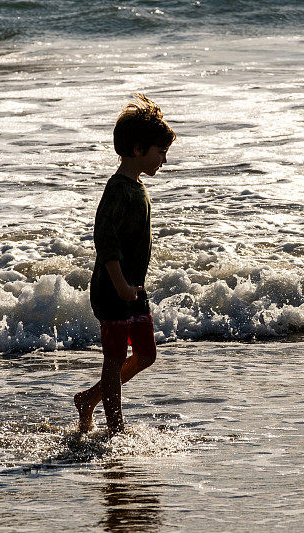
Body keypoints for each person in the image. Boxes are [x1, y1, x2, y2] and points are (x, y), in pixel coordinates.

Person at [75, 94, 175, 434]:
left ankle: (89, 398)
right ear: (137, 149)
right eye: (160, 152)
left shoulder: (138, 187)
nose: (164, 159)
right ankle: (115, 428)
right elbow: (105, 240)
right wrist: (119, 284)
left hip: (134, 289)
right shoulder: (118, 189)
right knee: (114, 358)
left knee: (146, 354)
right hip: (113, 289)